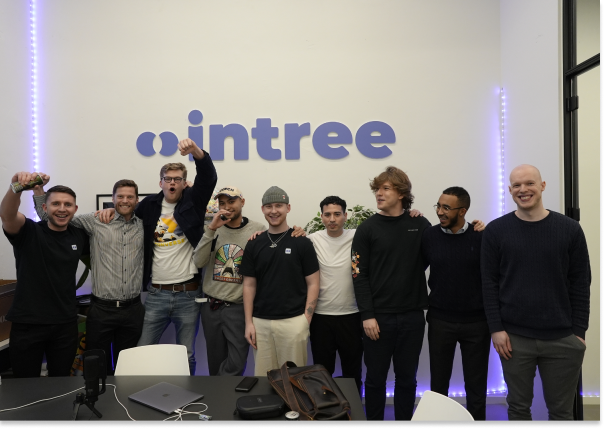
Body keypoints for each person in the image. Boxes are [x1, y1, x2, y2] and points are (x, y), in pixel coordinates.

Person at [481, 164, 590, 421]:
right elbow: (488, 283)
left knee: (562, 412)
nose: (523, 190)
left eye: (530, 183)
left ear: (542, 186)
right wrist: (496, 329)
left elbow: (580, 282)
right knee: (518, 409)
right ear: (510, 190)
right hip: (513, 339)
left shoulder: (570, 229)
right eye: (517, 185)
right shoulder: (496, 231)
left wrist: (579, 333)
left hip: (563, 338)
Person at [99, 138, 217, 375]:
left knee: (186, 354)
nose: (172, 183)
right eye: (168, 179)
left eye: (177, 179)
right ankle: (139, 394)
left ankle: (186, 394)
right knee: (143, 351)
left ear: (184, 183)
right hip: (156, 295)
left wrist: (196, 152)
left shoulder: (193, 201)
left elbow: (208, 177)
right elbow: (127, 215)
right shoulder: (149, 205)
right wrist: (111, 209)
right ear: (160, 182)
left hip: (188, 294)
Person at [33, 177, 144, 376]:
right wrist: (39, 191)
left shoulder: (143, 225)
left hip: (133, 309)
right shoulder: (95, 221)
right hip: (102, 310)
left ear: (137, 200)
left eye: (130, 197)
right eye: (120, 196)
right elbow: (48, 217)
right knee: (96, 367)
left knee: (128, 368)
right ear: (113, 198)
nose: (125, 200)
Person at [351, 166, 430, 421]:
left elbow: (437, 254)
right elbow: (358, 274)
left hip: (412, 317)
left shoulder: (420, 225)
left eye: (386, 188)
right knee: (375, 380)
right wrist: (367, 315)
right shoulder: (367, 229)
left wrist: (475, 227)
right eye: (377, 189)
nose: (379, 193)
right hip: (378, 319)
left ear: (402, 193)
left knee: (407, 380)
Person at [0, 172, 89, 378]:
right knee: (26, 384)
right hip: (28, 323)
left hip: (65, 324)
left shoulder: (78, 235)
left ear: (75, 209)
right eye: (56, 203)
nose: (62, 208)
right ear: (44, 207)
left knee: (61, 383)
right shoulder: (28, 231)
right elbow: (7, 215)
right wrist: (16, 187)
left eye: (67, 204)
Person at [421, 187, 489, 421]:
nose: (440, 212)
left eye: (446, 208)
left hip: (477, 323)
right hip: (440, 321)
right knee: (438, 386)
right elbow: (415, 269)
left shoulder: (481, 236)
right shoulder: (429, 236)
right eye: (438, 206)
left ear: (463, 211)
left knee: (476, 387)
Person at [239, 186, 320, 376]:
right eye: (269, 206)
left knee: (294, 379)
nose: (273, 211)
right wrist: (249, 323)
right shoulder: (254, 243)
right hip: (260, 323)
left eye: (279, 206)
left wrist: (305, 319)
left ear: (288, 208)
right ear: (262, 209)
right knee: (264, 378)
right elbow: (249, 285)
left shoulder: (302, 242)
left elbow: (314, 283)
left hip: (293, 322)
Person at [192, 186, 265, 376]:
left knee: (237, 362)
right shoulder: (212, 229)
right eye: (222, 203)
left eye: (231, 201)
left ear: (242, 202)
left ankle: (223, 387)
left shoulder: (257, 229)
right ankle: (219, 391)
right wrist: (211, 230)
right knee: (215, 361)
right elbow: (198, 262)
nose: (227, 207)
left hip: (238, 307)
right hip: (211, 306)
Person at [306, 196, 363, 396]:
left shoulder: (358, 236)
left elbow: (386, 229)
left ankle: (354, 408)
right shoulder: (312, 239)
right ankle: (325, 409)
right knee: (322, 373)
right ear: (321, 216)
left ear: (345, 216)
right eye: (327, 214)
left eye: (337, 214)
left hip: (351, 315)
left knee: (353, 372)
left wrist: (411, 214)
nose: (332, 219)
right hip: (320, 317)